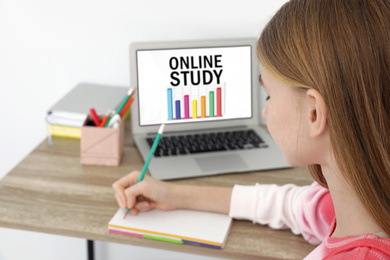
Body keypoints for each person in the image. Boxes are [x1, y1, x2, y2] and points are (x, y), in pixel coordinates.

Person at [113, 0, 390, 258]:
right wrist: (175, 195)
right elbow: (289, 205)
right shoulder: (352, 204)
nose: (264, 111)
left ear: (314, 112)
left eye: (268, 95)